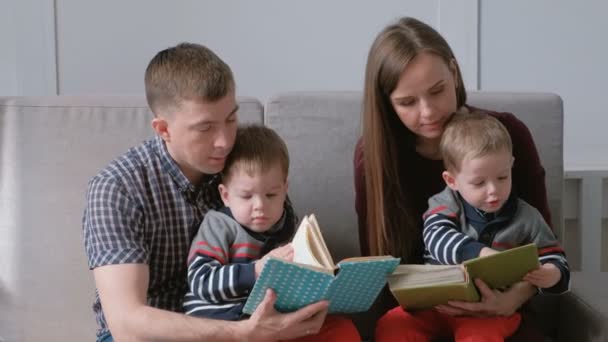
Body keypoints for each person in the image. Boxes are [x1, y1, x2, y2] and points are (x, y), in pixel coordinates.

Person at [83, 43, 329, 342]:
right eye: (205, 128)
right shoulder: (117, 189)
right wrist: (243, 334)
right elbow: (126, 324)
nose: (225, 141)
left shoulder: (246, 170)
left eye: (230, 119)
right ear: (163, 129)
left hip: (243, 321)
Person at [354, 17, 558, 341]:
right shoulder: (375, 159)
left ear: (454, 72)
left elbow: (543, 246)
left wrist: (511, 299)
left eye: (438, 91)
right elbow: (380, 267)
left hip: (504, 308)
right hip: (418, 314)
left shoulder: (507, 135)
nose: (428, 111)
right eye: (408, 102)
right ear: (387, 103)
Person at [381, 112, 570, 341]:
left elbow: (555, 257)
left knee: (478, 337)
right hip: (434, 306)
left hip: (490, 311)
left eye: (502, 177)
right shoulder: (444, 203)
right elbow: (436, 236)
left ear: (511, 165)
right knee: (392, 326)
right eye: (479, 183)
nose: (493, 190)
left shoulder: (527, 217)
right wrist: (480, 253)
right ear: (452, 181)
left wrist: (551, 274)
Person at [182, 124, 361, 341]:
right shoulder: (218, 225)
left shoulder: (288, 224)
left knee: (342, 330)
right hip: (222, 322)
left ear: (285, 189)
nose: (259, 206)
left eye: (271, 195)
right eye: (246, 196)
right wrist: (255, 271)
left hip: (274, 320)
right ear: (226, 195)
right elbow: (201, 281)